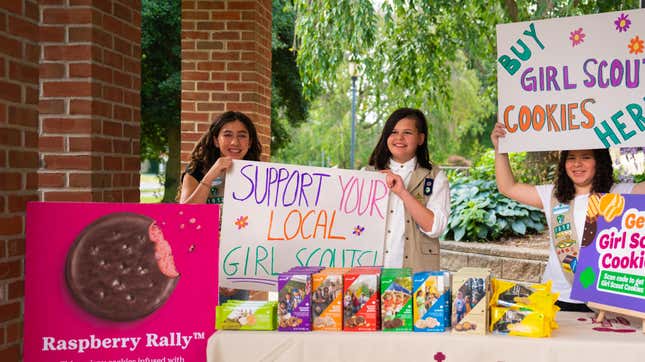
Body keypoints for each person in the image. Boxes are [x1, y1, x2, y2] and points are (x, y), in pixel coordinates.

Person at [490, 122, 645, 311]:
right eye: (571, 158)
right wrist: (501, 150)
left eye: (586, 157)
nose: (577, 164)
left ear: (600, 161)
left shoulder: (620, 193)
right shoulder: (551, 195)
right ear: (564, 164)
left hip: (603, 303)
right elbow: (508, 187)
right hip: (555, 297)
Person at [179, 111, 263, 303]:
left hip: (237, 263)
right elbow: (185, 213)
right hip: (200, 261)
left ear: (249, 142)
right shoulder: (197, 171)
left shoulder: (257, 175)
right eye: (227, 135)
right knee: (201, 324)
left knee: (234, 326)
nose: (235, 142)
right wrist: (212, 174)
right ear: (216, 140)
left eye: (242, 136)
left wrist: (236, 271)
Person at [367, 108, 450, 271]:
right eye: (393, 132)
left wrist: (403, 193)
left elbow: (435, 227)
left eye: (407, 132)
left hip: (415, 274)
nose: (399, 138)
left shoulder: (436, 177)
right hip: (372, 272)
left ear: (420, 138)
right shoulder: (368, 175)